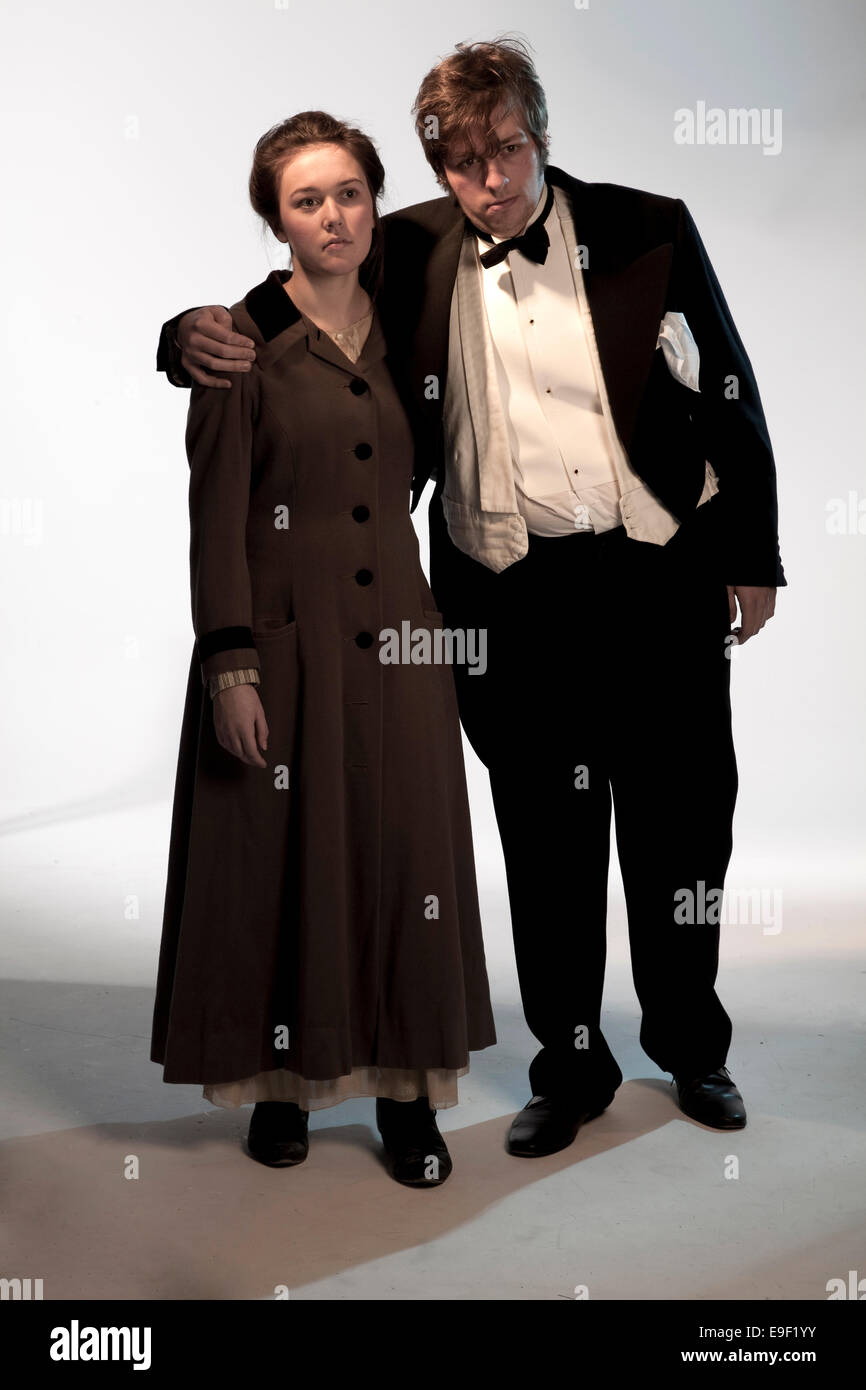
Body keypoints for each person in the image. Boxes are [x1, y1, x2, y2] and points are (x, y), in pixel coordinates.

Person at [156, 37, 786, 1158]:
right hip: (510, 598)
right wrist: (182, 337)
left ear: (539, 134)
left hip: (655, 575)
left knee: (682, 826)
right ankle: (571, 1065)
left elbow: (731, 383)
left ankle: (692, 1047)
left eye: (506, 149)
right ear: (436, 170)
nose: (491, 180)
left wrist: (750, 554)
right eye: (461, 160)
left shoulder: (650, 222)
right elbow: (294, 301)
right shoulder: (406, 247)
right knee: (544, 844)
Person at [150, 110, 496, 1187]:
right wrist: (232, 663)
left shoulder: (412, 322)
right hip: (284, 648)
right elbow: (215, 520)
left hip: (400, 642)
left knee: (404, 862)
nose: (332, 216)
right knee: (281, 863)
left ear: (374, 200)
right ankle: (283, 1087)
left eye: (348, 193)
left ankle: (406, 1099)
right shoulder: (238, 347)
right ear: (275, 219)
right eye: (306, 200)